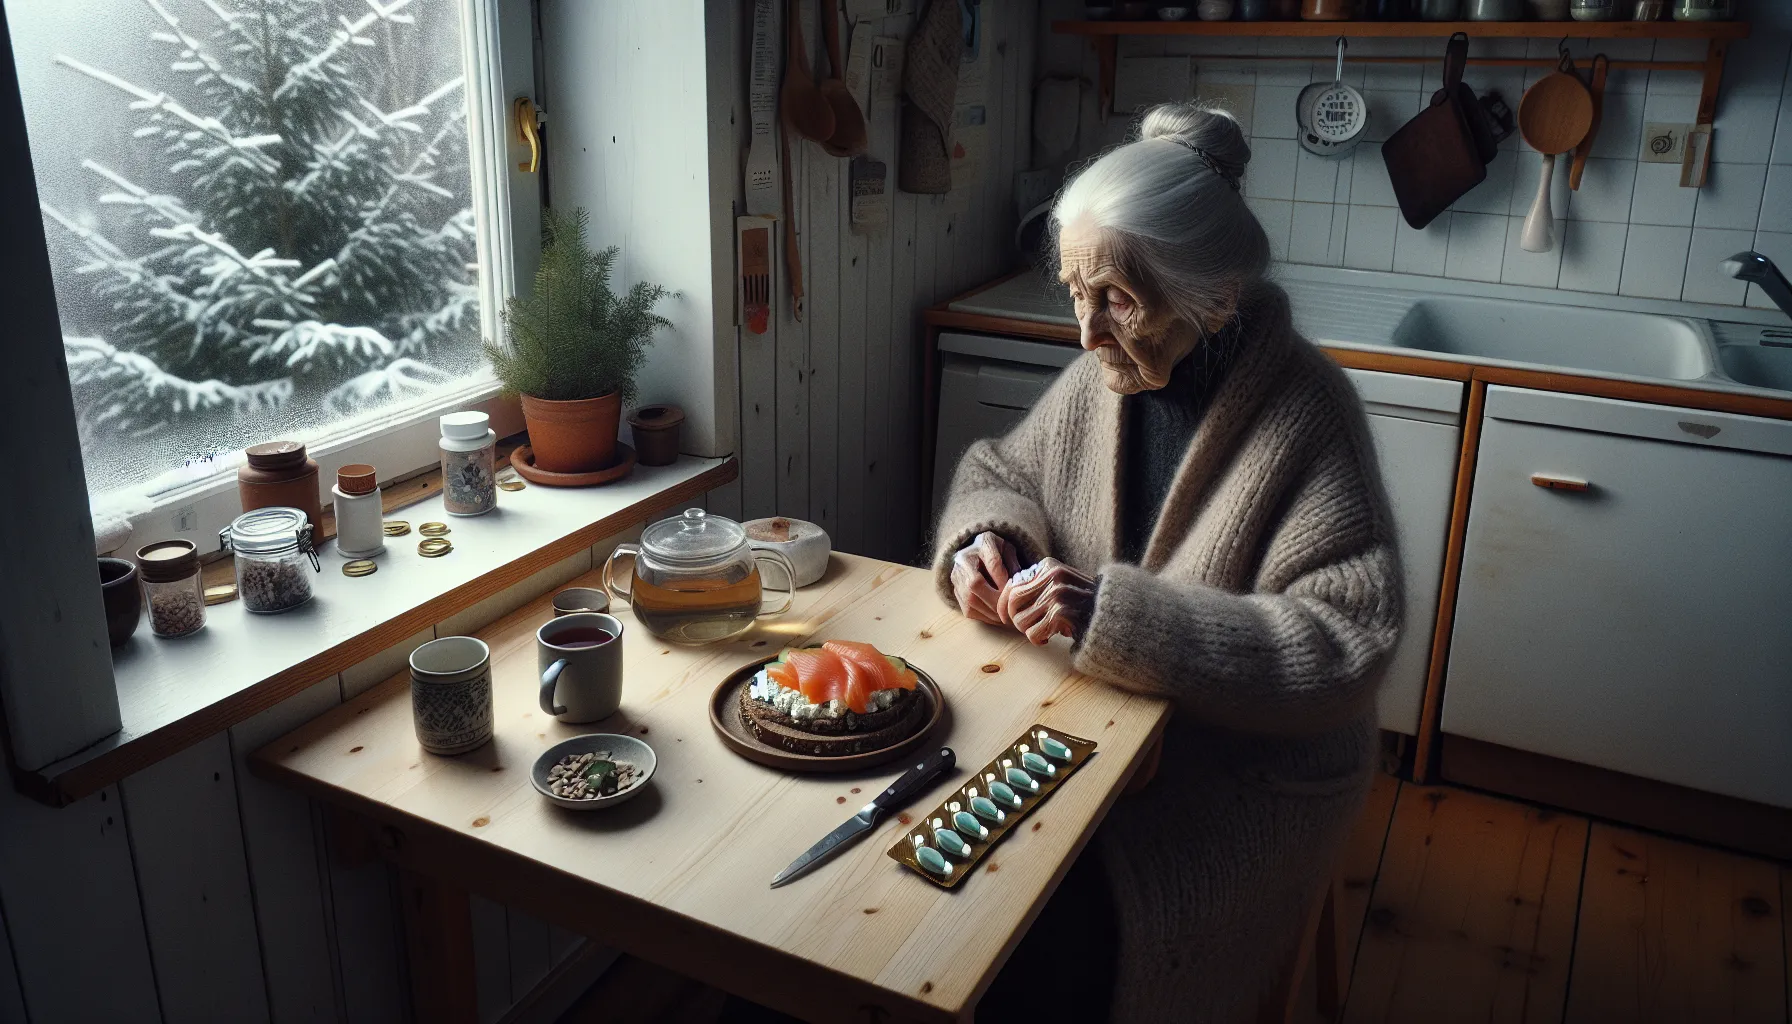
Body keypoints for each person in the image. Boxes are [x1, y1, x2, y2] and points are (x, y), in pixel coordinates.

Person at [936, 101, 1403, 1022]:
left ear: (1215, 296)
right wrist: (990, 537)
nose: (1086, 331)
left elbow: (1348, 639)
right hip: (1090, 727)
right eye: (1075, 290)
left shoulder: (1306, 413)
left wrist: (1114, 615)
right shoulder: (1102, 375)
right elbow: (1002, 470)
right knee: (943, 897)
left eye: (1116, 298)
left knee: (1045, 953)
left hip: (1239, 769)